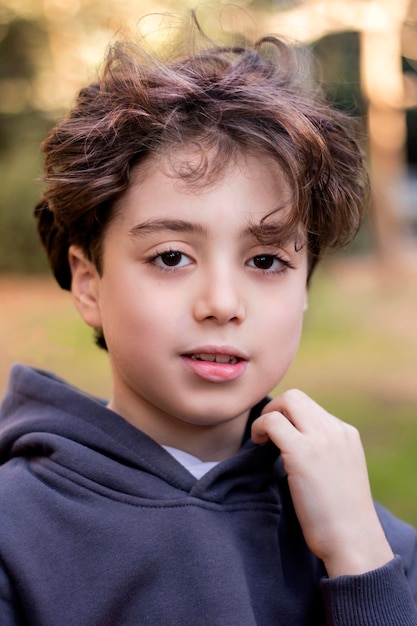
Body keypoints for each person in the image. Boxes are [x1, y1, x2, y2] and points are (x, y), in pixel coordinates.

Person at [0, 14, 416, 626]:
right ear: (88, 283)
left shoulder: (375, 542)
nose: (222, 303)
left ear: (306, 287)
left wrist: (357, 560)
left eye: (267, 260)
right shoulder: (15, 531)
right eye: (172, 257)